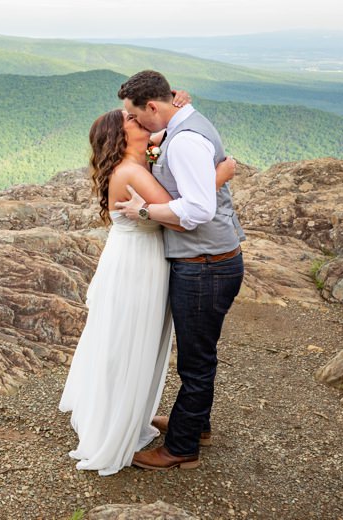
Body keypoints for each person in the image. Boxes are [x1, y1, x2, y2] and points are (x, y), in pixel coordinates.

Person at [61, 106, 234, 475]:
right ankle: (121, 421)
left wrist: (178, 107)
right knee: (130, 342)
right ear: (120, 137)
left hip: (140, 260)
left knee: (133, 341)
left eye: (138, 116)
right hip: (138, 267)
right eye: (131, 122)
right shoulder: (131, 173)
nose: (140, 123)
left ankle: (153, 417)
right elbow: (182, 212)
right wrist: (219, 175)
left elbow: (163, 127)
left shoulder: (139, 164)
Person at [113, 70, 247, 471]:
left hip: (204, 264)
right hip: (211, 259)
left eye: (134, 115)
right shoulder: (183, 121)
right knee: (198, 353)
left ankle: (181, 448)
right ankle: (195, 423)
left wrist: (143, 210)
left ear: (152, 106)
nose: (133, 123)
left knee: (195, 360)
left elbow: (198, 210)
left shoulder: (185, 140)